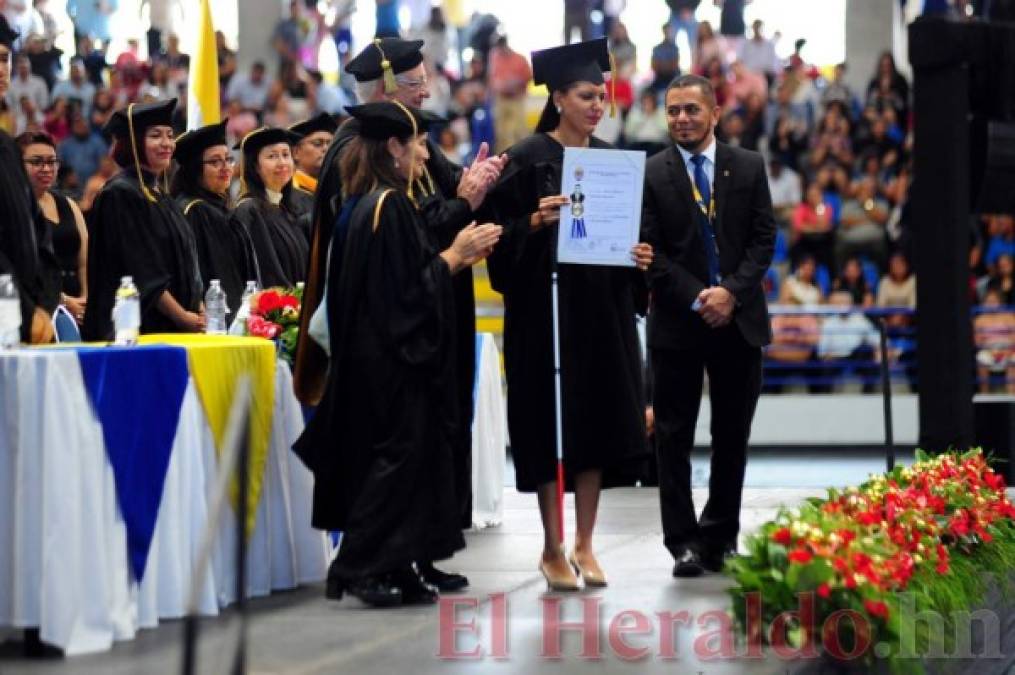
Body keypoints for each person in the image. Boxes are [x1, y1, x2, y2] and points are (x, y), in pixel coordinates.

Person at [295, 39, 506, 585]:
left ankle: (412, 555)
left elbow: (427, 220)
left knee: (425, 444)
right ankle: (372, 563)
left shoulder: (399, 169)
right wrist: (456, 244)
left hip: (413, 327)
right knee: (392, 449)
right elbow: (395, 263)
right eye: (415, 86)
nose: (427, 92)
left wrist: (466, 194)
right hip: (386, 337)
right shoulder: (359, 161)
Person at [484, 38, 654, 591]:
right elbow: (495, 243)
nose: (596, 106)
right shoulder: (525, 161)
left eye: (601, 97)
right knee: (549, 425)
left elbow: (634, 234)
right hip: (544, 314)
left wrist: (640, 256)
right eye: (585, 96)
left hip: (601, 312)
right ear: (557, 98)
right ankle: (552, 546)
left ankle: (585, 542)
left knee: (596, 423)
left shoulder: (613, 162)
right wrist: (532, 223)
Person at [641, 73, 775, 577]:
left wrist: (731, 293)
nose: (681, 118)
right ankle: (683, 543)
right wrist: (700, 296)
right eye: (673, 110)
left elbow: (764, 238)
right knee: (672, 437)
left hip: (738, 321)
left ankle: (720, 534)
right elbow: (650, 252)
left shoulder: (748, 165)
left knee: (731, 434)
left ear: (714, 113)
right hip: (679, 321)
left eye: (691, 109)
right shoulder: (652, 173)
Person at [82, 99, 205, 340]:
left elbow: (187, 262)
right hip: (137, 330)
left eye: (170, 135)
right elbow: (142, 270)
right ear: (134, 143)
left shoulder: (160, 195)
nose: (167, 143)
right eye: (155, 135)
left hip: (176, 326)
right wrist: (180, 315)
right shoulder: (120, 194)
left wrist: (198, 310)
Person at [0, 16, 59, 344]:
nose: (1, 69)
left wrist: (44, 305)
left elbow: (39, 234)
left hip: (23, 324)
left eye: (4, 58)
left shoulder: (8, 147)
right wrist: (25, 310)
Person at [171, 119, 255, 319]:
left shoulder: (218, 206)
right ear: (194, 168)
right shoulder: (196, 211)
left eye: (228, 159)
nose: (225, 167)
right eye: (215, 161)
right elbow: (219, 275)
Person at [16, 130, 88, 324]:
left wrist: (85, 297)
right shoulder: (14, 210)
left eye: (51, 162)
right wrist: (63, 301)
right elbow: (23, 269)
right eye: (36, 162)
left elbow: (84, 261)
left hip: (79, 305)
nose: (46, 168)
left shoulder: (70, 205)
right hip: (38, 306)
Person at [229, 126, 309, 289]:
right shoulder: (249, 210)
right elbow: (266, 272)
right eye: (272, 156)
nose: (282, 162)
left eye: (286, 155)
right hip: (278, 309)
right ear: (255, 166)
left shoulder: (286, 210)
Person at [288, 111, 338, 222]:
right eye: (318, 143)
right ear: (295, 152)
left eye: (330, 144)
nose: (326, 149)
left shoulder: (336, 189)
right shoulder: (289, 193)